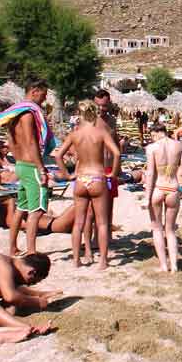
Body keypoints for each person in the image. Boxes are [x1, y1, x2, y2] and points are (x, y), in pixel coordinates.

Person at [54, 101, 121, 270]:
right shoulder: (101, 132)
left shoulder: (74, 134)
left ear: (80, 113)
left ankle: (76, 260)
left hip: (81, 178)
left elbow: (58, 155)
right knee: (102, 223)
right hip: (98, 177)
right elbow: (117, 152)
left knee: (78, 222)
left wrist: (67, 174)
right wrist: (112, 173)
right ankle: (103, 262)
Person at [0, 79, 55, 257]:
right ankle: (31, 251)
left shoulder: (14, 115)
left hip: (21, 164)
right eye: (43, 95)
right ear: (34, 91)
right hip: (31, 166)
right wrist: (41, 168)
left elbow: (12, 142)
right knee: (36, 211)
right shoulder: (29, 115)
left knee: (21, 208)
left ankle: (13, 247)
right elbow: (32, 143)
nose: (44, 100)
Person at [145, 123, 182, 273]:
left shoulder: (151, 148)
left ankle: (164, 265)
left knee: (157, 229)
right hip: (173, 188)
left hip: (158, 188)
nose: (152, 138)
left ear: (156, 133)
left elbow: (150, 173)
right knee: (170, 230)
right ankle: (174, 266)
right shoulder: (179, 146)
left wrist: (146, 197)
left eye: (152, 135)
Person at [93, 89, 120, 243]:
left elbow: (116, 143)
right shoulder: (89, 121)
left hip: (110, 167)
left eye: (104, 106)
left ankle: (107, 234)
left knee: (110, 203)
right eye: (99, 106)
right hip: (94, 167)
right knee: (94, 205)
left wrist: (119, 168)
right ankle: (95, 237)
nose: (102, 109)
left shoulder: (112, 121)